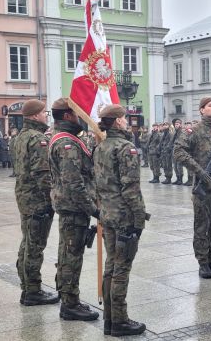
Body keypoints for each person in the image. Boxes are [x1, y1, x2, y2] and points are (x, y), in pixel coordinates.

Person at [93, 105, 147, 336]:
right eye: (124, 118)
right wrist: (139, 218)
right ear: (116, 122)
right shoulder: (126, 148)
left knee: (110, 266)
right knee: (121, 268)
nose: (127, 121)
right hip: (124, 216)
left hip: (107, 214)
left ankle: (109, 319)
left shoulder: (100, 146)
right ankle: (120, 321)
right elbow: (131, 188)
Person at [49, 98, 100, 321]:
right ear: (68, 116)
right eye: (78, 114)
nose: (81, 118)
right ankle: (70, 304)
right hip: (74, 206)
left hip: (71, 206)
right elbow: (74, 182)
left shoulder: (68, 138)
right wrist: (93, 209)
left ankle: (68, 297)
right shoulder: (66, 143)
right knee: (71, 255)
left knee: (68, 253)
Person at [174, 97, 211, 279]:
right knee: (201, 227)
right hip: (204, 187)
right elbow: (178, 151)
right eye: (210, 106)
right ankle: (203, 263)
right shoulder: (194, 130)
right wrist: (198, 171)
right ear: (201, 110)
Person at [13, 99, 59, 306]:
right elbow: (43, 175)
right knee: (35, 246)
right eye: (43, 112)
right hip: (37, 200)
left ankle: (26, 287)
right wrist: (53, 198)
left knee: (27, 243)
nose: (46, 115)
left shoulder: (20, 137)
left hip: (24, 196)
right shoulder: (38, 139)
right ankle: (33, 291)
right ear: (34, 116)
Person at [171, 118, 184, 185]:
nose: (176, 125)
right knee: (175, 166)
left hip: (180, 151)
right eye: (175, 124)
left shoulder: (182, 132)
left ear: (180, 125)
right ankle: (177, 178)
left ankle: (181, 180)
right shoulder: (174, 132)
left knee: (179, 166)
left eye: (178, 124)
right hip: (174, 151)